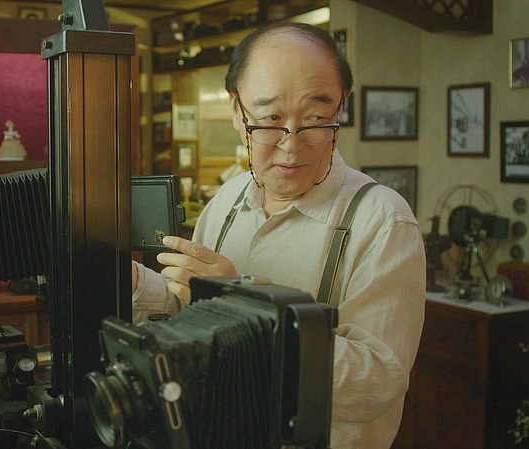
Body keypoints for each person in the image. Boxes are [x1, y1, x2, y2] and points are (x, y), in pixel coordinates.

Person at [130, 22, 426, 449]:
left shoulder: (381, 221)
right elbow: (188, 312)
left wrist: (240, 308)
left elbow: (376, 383)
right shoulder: (229, 198)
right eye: (270, 120)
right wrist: (136, 283)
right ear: (237, 112)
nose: (291, 146)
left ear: (340, 107)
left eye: (316, 120)